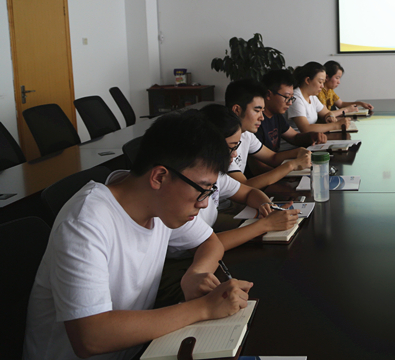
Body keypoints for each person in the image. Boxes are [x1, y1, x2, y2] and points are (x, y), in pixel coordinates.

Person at [24, 112, 252, 360]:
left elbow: (209, 242)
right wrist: (204, 308)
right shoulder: (85, 221)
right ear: (159, 177)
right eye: (202, 189)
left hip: (139, 350)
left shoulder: (159, 204)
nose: (204, 203)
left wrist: (195, 274)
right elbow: (91, 337)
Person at [170, 104, 299, 253]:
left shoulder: (215, 174)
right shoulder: (180, 190)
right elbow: (205, 246)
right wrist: (266, 224)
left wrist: (267, 206)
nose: (235, 154)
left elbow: (248, 192)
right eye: (231, 147)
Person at [225, 79, 311, 189]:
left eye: (262, 111)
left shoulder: (246, 134)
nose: (262, 117)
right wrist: (292, 165)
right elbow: (244, 186)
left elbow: (272, 157)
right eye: (257, 111)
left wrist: (299, 151)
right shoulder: (223, 140)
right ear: (237, 110)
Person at [256, 69, 327, 152]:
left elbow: (294, 137)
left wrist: (312, 136)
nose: (290, 103)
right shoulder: (257, 121)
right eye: (286, 97)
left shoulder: (276, 116)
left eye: (291, 98)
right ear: (268, 95)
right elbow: (265, 159)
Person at [288, 61, 352, 133]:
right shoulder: (296, 98)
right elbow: (306, 129)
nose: (322, 86)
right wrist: (336, 125)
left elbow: (327, 113)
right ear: (308, 80)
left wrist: (330, 117)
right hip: (298, 139)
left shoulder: (312, 97)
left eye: (323, 82)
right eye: (320, 82)